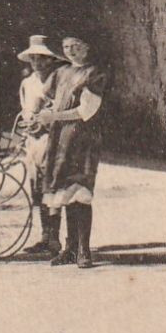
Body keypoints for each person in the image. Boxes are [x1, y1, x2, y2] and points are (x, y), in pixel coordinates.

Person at [34, 35, 110, 269]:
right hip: (60, 138)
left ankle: (84, 251)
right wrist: (39, 116)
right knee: (66, 192)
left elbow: (85, 110)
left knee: (80, 192)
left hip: (82, 138)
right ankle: (70, 248)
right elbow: (47, 99)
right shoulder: (61, 73)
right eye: (67, 47)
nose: (71, 51)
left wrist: (54, 116)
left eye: (76, 46)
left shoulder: (94, 73)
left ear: (87, 47)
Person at [16, 35, 67, 256]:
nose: (38, 63)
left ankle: (54, 239)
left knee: (52, 187)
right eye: (34, 58)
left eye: (42, 58)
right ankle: (44, 236)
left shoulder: (59, 81)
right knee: (36, 188)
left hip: (51, 138)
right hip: (32, 141)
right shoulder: (27, 83)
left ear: (50, 60)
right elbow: (25, 109)